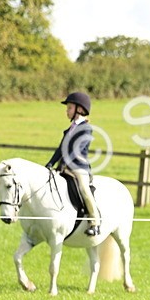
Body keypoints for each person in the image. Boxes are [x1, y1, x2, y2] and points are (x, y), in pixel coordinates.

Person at [46, 91, 101, 236]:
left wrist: (65, 162)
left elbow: (77, 149)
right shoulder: (69, 129)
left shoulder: (86, 129)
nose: (67, 111)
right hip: (64, 167)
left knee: (84, 189)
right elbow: (60, 149)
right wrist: (50, 163)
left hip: (79, 169)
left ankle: (95, 222)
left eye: (69, 108)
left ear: (80, 110)